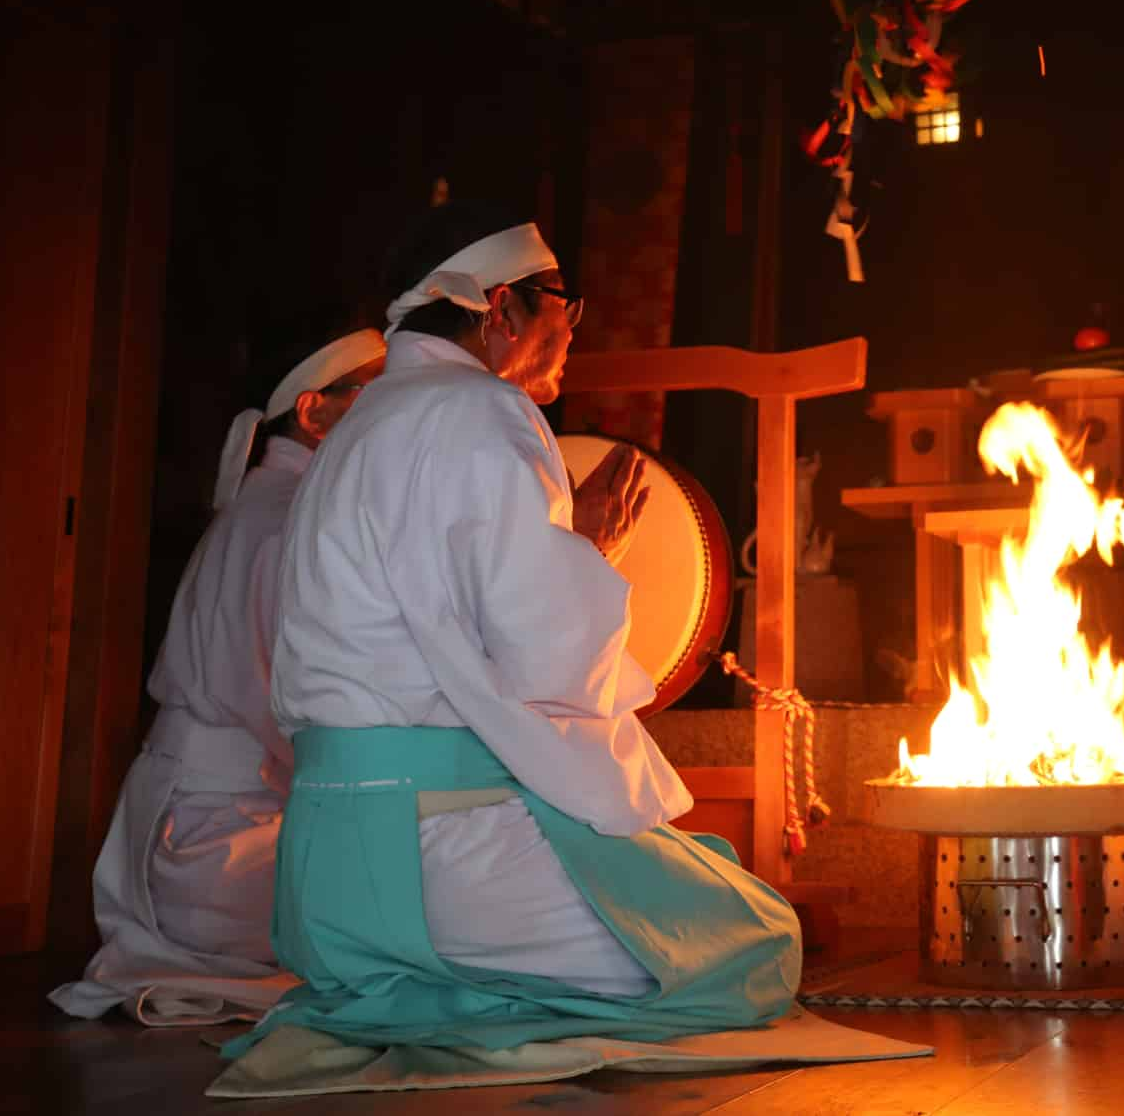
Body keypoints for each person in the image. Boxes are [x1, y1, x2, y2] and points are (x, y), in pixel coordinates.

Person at [225, 202, 799, 1058]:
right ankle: (448, 989)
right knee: (752, 944)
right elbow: (541, 656)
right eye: (563, 300)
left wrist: (567, 553)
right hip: (430, 848)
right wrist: (588, 555)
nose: (573, 327)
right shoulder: (483, 409)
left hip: (323, 866)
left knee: (687, 875)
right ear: (500, 309)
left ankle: (431, 985)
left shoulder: (358, 428)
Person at [51, 324, 387, 1024]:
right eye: (375, 394)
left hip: (203, 829)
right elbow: (286, 707)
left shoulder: (271, 510)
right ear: (313, 410)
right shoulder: (283, 520)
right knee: (426, 906)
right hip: (216, 846)